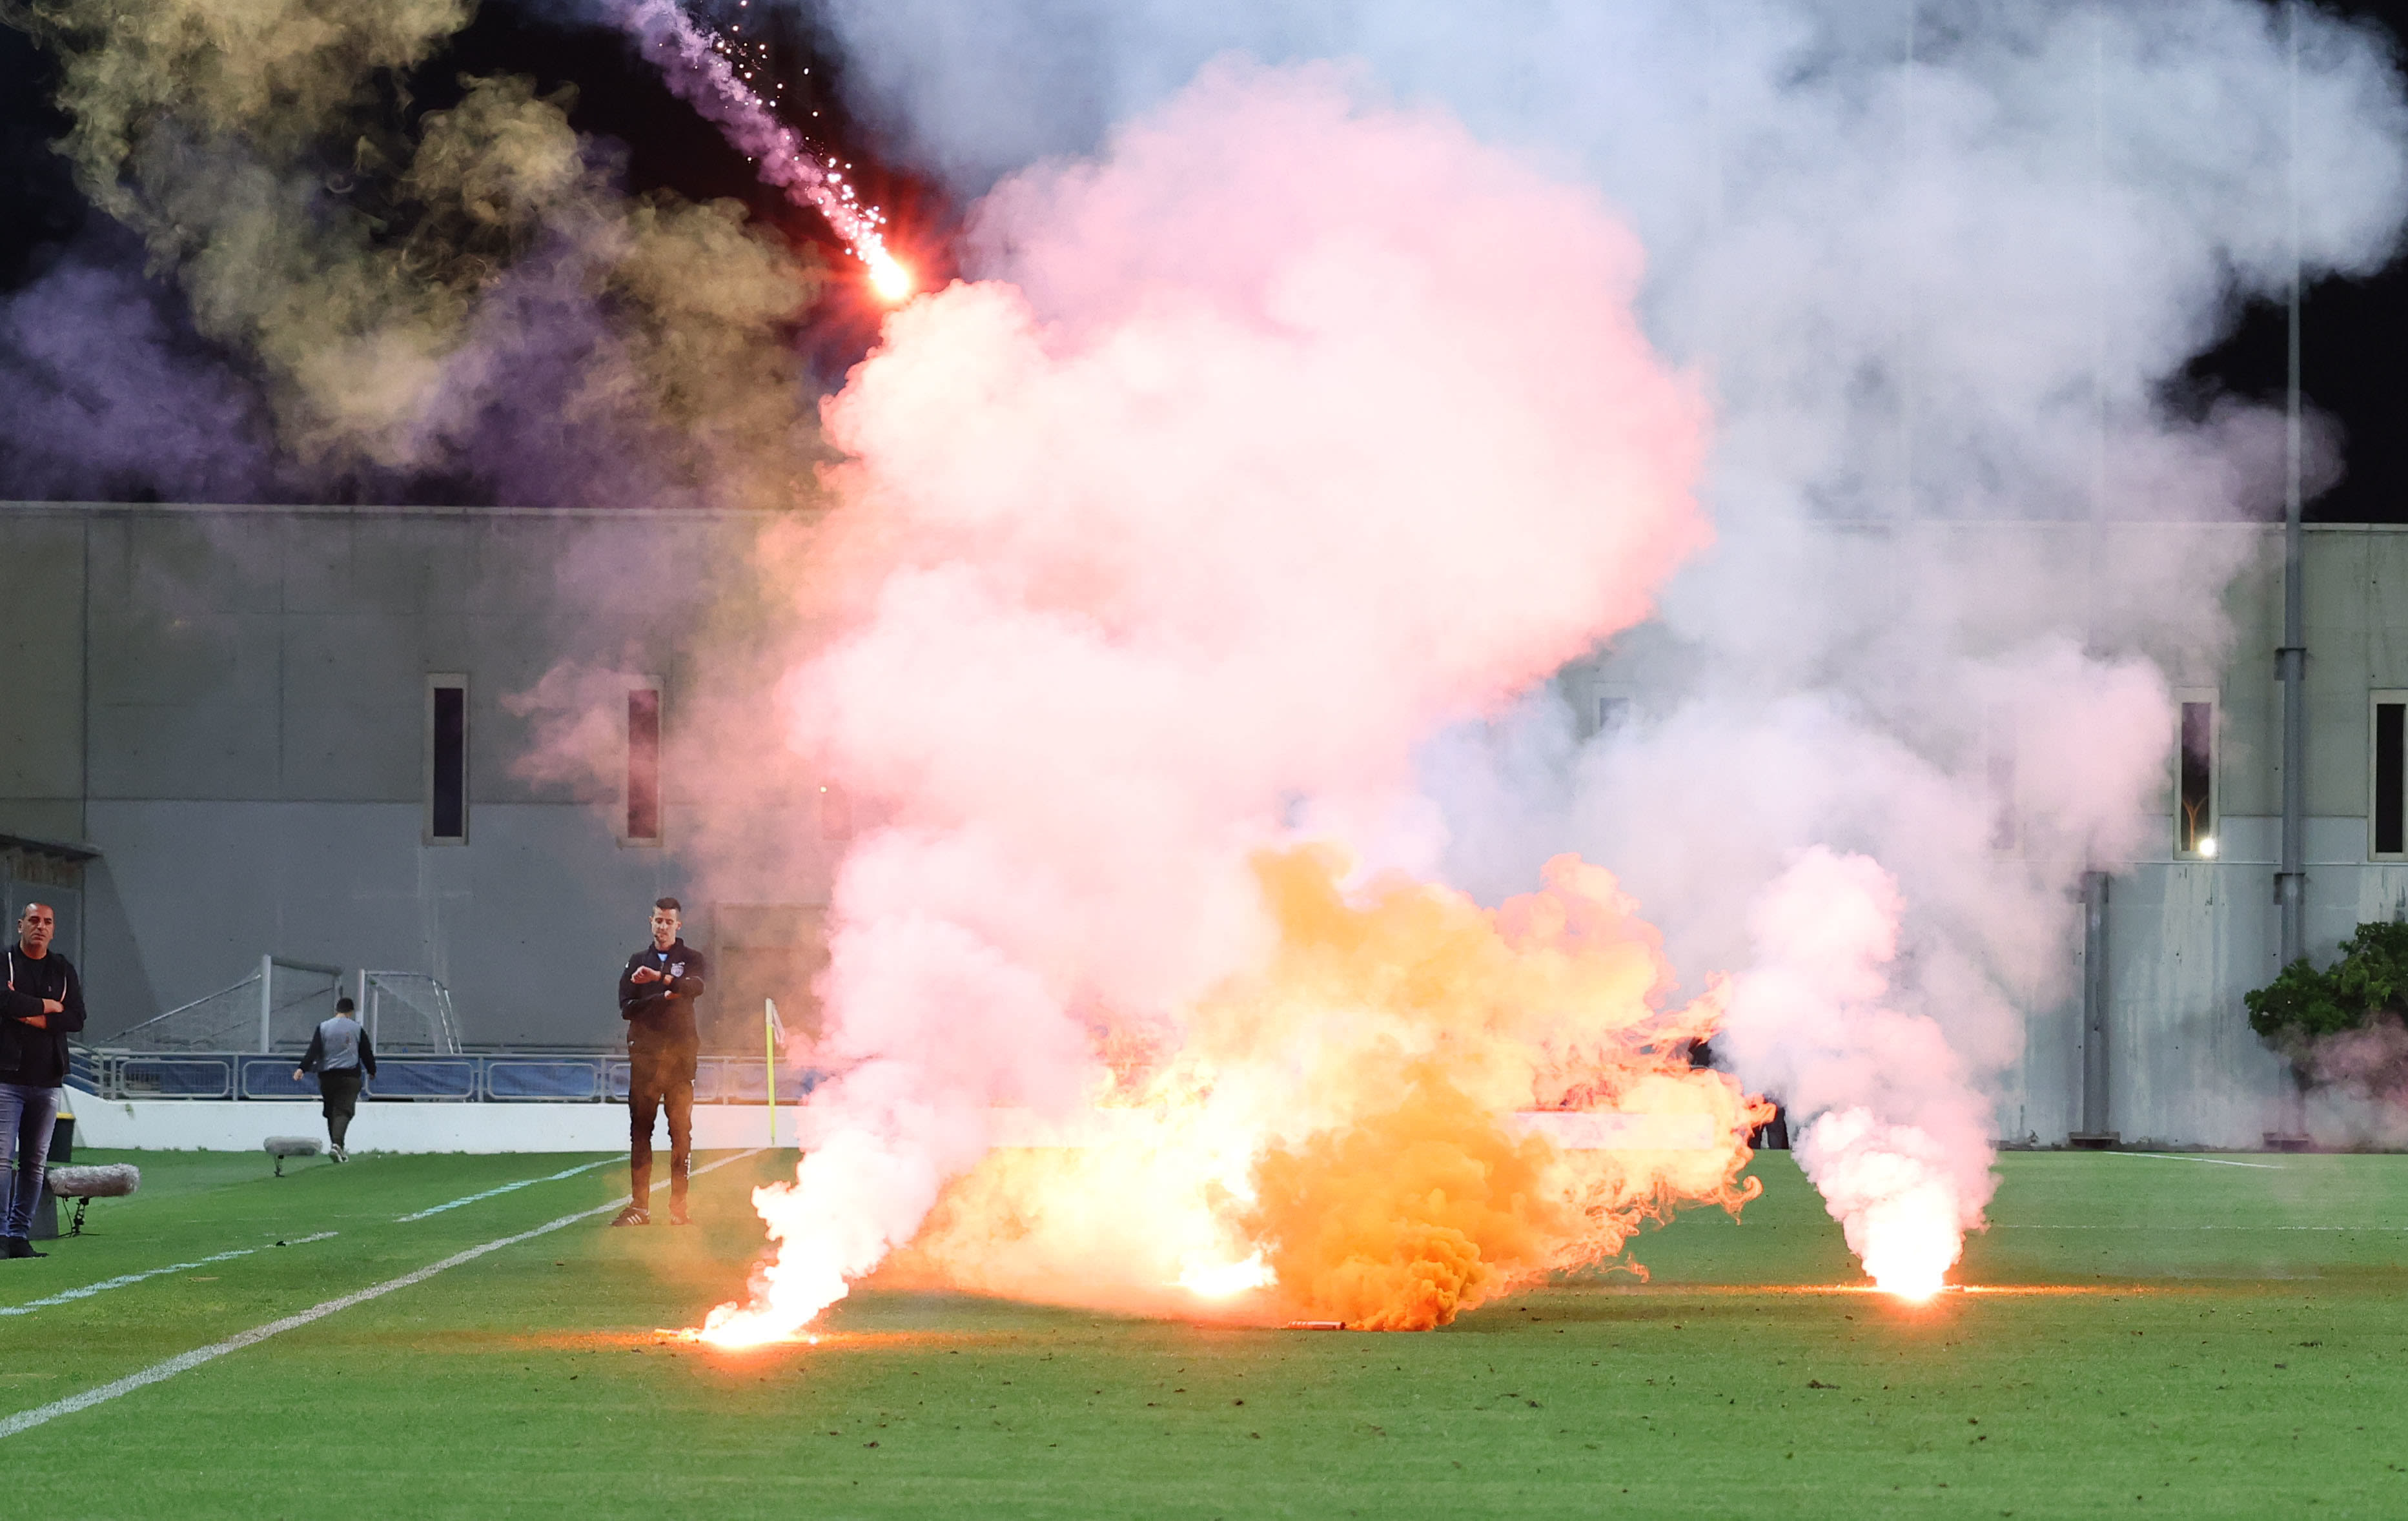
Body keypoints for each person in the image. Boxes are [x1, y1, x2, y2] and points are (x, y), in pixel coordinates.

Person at [1, 903, 86, 1259]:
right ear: (21, 925)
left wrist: (31, 1015)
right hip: (7, 1078)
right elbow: (3, 1000)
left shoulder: (62, 968)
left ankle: (19, 1237)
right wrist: (49, 1006)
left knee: (34, 1163)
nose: (40, 926)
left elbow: (77, 1018)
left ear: (53, 930)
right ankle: (1, 1235)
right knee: (2, 1161)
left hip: (48, 1080)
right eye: (34, 920)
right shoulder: (5, 960)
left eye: (47, 922)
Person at [614, 897, 706, 1227]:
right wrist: (665, 997)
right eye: (658, 921)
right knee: (641, 1132)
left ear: (678, 925)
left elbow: (695, 988)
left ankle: (678, 1209)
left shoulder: (691, 959)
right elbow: (627, 1008)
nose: (663, 926)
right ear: (650, 922)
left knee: (681, 1133)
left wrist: (661, 978)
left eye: (669, 922)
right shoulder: (636, 961)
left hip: (681, 1061)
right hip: (646, 1059)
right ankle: (640, 1207)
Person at [294, 996, 376, 1161]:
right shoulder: (356, 1029)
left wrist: (302, 1068)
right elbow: (366, 1052)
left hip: (327, 1077)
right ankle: (337, 1145)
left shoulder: (324, 1027)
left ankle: (338, 1148)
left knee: (331, 1111)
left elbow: (313, 1050)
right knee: (344, 1111)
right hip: (349, 1076)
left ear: (336, 1011)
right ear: (350, 1012)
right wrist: (371, 1070)